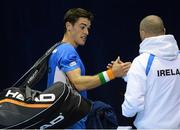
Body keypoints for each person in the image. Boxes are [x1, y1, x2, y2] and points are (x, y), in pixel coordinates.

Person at [47, 8, 131, 129]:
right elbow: (78, 83)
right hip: (69, 124)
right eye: (82, 27)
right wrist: (111, 74)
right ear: (68, 26)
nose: (86, 32)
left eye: (88, 28)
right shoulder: (67, 50)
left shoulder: (58, 49)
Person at [121, 15, 180, 128]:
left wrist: (126, 111)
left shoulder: (141, 62)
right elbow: (163, 81)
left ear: (142, 33)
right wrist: (129, 75)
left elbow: (133, 104)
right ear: (164, 31)